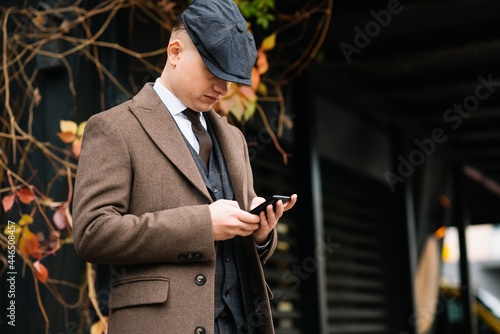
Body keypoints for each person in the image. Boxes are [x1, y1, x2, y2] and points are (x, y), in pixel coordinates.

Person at [72, 0, 297, 333]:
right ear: (174, 51)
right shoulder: (115, 127)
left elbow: (240, 256)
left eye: (230, 78)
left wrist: (261, 233)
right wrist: (201, 225)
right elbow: (92, 233)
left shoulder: (233, 138)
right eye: (213, 72)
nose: (223, 89)